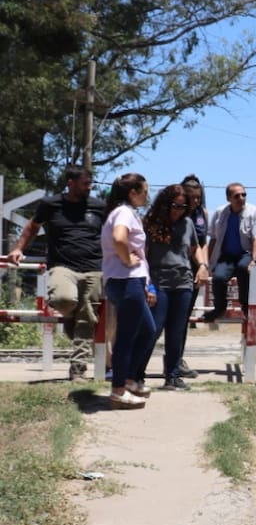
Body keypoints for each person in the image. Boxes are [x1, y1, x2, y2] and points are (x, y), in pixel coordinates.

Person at [4, 165, 104, 380]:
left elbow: (111, 233)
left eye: (90, 183)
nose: (89, 187)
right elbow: (32, 227)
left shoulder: (99, 206)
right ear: (70, 183)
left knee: (87, 317)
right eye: (85, 183)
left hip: (94, 267)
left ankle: (78, 369)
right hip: (63, 266)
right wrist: (19, 248)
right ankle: (69, 317)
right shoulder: (51, 204)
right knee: (63, 299)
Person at [139, 185, 205, 391]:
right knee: (153, 329)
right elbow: (142, 256)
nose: (179, 210)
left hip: (183, 282)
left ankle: (173, 376)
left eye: (183, 207)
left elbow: (195, 248)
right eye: (175, 206)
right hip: (159, 282)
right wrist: (147, 285)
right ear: (165, 204)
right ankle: (137, 374)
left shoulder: (187, 223)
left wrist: (202, 265)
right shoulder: (150, 224)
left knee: (177, 331)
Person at [101, 173, 154, 409]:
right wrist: (127, 259)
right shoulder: (124, 212)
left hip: (127, 281)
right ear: (133, 193)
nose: (147, 196)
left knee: (147, 330)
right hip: (126, 281)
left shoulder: (123, 211)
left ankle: (129, 379)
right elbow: (119, 238)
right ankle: (118, 390)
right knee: (125, 337)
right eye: (144, 191)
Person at [200, 182, 256, 326]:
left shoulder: (254, 212)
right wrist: (206, 262)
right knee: (218, 278)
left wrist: (253, 261)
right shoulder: (220, 213)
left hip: (246, 253)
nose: (241, 198)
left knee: (244, 268)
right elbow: (213, 238)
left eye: (244, 195)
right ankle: (219, 308)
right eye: (237, 196)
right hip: (226, 256)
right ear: (228, 198)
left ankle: (246, 307)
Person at [176, 174, 209, 378]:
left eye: (198, 197)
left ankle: (177, 360)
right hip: (172, 270)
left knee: (183, 319)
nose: (195, 201)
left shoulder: (201, 213)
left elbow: (203, 242)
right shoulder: (173, 212)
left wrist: (203, 266)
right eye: (191, 197)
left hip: (193, 271)